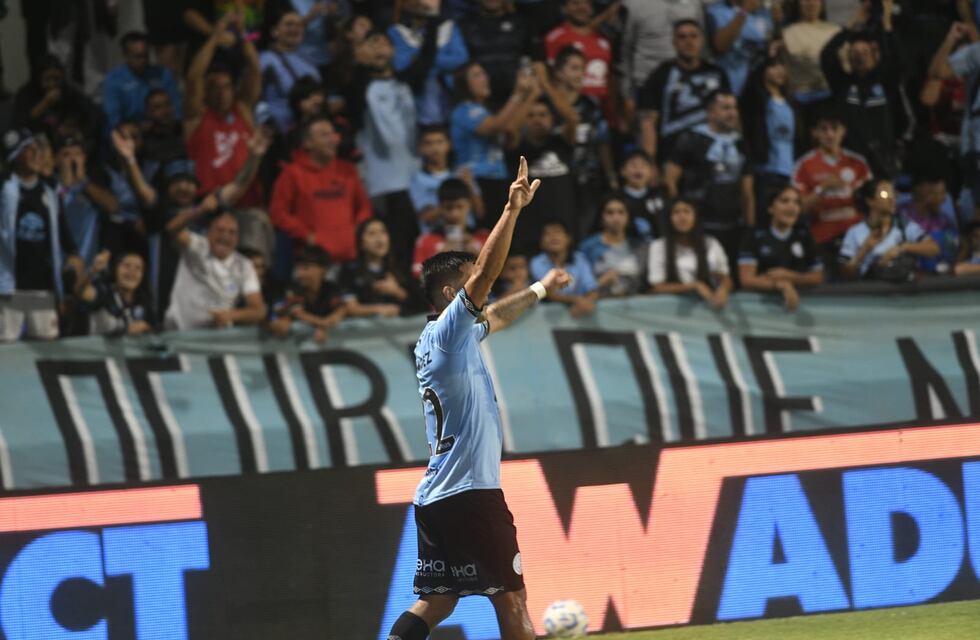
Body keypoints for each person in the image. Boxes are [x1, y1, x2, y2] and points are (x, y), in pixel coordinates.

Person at [385, 156, 569, 640]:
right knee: (512, 600)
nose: (479, 292)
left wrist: (540, 289)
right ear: (450, 292)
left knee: (437, 600)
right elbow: (486, 273)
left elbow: (498, 316)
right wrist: (511, 211)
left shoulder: (443, 338)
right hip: (471, 493)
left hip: (436, 496)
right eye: (468, 286)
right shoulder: (448, 331)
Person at [0, 128, 84, 342]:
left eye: (37, 149)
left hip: (43, 287)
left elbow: (63, 229)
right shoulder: (4, 188)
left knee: (47, 344)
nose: (36, 154)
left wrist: (73, 254)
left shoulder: (50, 191)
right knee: (5, 346)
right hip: (9, 287)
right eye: (28, 150)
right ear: (15, 156)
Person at [665, 91, 754, 275]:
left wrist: (749, 226)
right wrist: (680, 216)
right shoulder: (691, 138)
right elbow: (670, 178)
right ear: (711, 113)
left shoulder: (741, 143)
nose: (732, 113)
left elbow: (747, 190)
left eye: (734, 108)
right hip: (700, 223)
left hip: (733, 225)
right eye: (725, 108)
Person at [185, 11, 264, 208]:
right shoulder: (197, 116)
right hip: (210, 202)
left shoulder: (242, 109)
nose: (222, 93)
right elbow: (193, 78)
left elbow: (255, 69)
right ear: (206, 92)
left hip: (247, 199)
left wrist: (242, 32)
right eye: (214, 88)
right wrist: (215, 37)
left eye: (226, 86)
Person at [269, 116, 373, 265]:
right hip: (314, 262)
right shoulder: (292, 174)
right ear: (307, 143)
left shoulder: (348, 170)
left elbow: (364, 207)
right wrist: (307, 236)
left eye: (333, 134)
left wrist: (356, 231)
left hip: (350, 260)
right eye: (324, 135)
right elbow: (278, 214)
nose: (332, 139)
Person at [357, 29, 421, 268]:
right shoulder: (360, 88)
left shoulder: (405, 84)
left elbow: (423, 65)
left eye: (383, 43)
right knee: (392, 246)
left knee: (417, 244)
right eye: (372, 44)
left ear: (394, 50)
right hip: (381, 183)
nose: (379, 50)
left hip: (414, 177)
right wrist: (358, 65)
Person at [820, 3, 905, 177]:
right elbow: (827, 55)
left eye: (865, 52)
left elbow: (896, 59)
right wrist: (853, 23)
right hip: (849, 160)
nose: (860, 56)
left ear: (875, 55)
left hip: (882, 160)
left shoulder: (885, 82)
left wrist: (887, 23)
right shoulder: (842, 83)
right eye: (855, 52)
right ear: (849, 57)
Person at [451, 62, 539, 223]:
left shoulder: (486, 111)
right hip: (476, 181)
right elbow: (494, 126)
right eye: (476, 75)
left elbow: (510, 130)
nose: (485, 78)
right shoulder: (464, 111)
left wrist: (532, 95)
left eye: (484, 74)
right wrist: (518, 94)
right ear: (464, 84)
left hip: (497, 178)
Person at [638, 20, 731, 163]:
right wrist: (649, 163)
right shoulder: (660, 75)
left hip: (712, 156)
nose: (689, 42)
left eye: (694, 36)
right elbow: (648, 122)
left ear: (702, 40)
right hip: (671, 156)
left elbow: (731, 116)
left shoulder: (717, 73)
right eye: (682, 37)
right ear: (674, 42)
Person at [791, 109, 871, 274]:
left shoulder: (858, 163)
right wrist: (822, 188)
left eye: (835, 128)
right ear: (815, 133)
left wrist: (854, 192)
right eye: (824, 129)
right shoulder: (804, 165)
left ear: (843, 131)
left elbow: (873, 201)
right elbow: (798, 209)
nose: (830, 134)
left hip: (857, 238)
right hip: (821, 238)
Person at [163, 207, 267, 331]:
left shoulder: (244, 265)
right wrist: (199, 210)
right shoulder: (195, 245)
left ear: (238, 238)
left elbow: (259, 310)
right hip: (181, 336)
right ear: (209, 232)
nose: (225, 236)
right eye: (220, 230)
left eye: (232, 232)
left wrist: (229, 315)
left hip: (217, 339)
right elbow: (171, 229)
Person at [506, 97, 577, 255]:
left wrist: (544, 84)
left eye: (543, 114)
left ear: (552, 119)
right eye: (530, 115)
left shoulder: (562, 143)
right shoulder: (517, 147)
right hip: (530, 227)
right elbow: (510, 129)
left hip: (565, 222)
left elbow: (572, 118)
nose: (537, 119)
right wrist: (531, 94)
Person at [738, 186, 823, 311]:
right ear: (770, 208)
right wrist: (781, 285)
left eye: (796, 203)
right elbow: (747, 279)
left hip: (800, 308)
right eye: (785, 201)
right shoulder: (754, 237)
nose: (792, 207)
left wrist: (791, 277)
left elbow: (817, 277)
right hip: (759, 308)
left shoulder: (805, 237)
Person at [620, 0, 704, 123]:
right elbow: (624, 53)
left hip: (684, 88)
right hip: (644, 88)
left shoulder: (694, 4)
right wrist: (627, 96)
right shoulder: (632, 4)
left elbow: (702, 46)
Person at [839, 179, 940, 281]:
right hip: (869, 290)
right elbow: (846, 274)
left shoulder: (904, 226)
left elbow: (933, 249)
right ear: (870, 201)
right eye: (884, 194)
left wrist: (901, 248)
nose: (892, 198)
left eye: (893, 193)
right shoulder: (854, 232)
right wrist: (864, 250)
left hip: (902, 289)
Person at [389, 0, 470, 125]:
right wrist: (442, 59)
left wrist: (423, 60)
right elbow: (402, 65)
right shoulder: (396, 32)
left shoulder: (449, 27)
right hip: (415, 101)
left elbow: (461, 58)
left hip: (450, 97)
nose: (423, 2)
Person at [740, 56, 799, 215]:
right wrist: (765, 53)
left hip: (788, 169)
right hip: (765, 168)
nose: (779, 70)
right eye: (773, 66)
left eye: (782, 66)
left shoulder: (791, 102)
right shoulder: (756, 99)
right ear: (763, 71)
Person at [648, 198, 732, 309]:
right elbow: (657, 287)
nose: (682, 217)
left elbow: (725, 277)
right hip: (671, 308)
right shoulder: (658, 246)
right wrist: (694, 286)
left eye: (687, 211)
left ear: (695, 216)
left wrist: (724, 289)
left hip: (709, 306)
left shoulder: (711, 243)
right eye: (676, 212)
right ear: (669, 218)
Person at [458, 0, 539, 109]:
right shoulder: (464, 25)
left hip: (516, 97)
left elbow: (532, 59)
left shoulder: (521, 22)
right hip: (479, 101)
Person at [340, 217, 427, 317]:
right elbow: (351, 308)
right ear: (361, 243)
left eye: (383, 232)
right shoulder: (350, 271)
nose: (379, 238)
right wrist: (379, 309)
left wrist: (397, 291)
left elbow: (422, 306)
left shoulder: (400, 269)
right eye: (371, 233)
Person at [53, 134, 119, 265]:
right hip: (56, 262)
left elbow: (113, 206)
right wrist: (66, 187)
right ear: (56, 159)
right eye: (66, 154)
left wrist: (83, 181)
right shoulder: (50, 184)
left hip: (86, 264)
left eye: (77, 154)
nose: (72, 159)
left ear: (84, 158)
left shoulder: (92, 186)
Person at [11, 55, 103, 142]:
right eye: (47, 79)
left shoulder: (68, 92)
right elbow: (21, 123)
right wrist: (44, 103)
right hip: (37, 143)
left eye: (56, 79)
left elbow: (93, 113)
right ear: (38, 79)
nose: (52, 84)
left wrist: (78, 131)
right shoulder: (26, 94)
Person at [103, 32, 183, 130]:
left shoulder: (163, 74)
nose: (143, 60)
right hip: (131, 131)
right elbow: (113, 116)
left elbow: (176, 107)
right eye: (138, 56)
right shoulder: (114, 80)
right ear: (125, 55)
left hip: (164, 128)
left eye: (146, 55)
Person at [545, 0, 613, 115]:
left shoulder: (604, 39)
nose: (582, 7)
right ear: (564, 8)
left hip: (602, 112)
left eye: (587, 3)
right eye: (575, 3)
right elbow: (549, 78)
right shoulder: (555, 38)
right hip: (570, 109)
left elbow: (611, 80)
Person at [260, 8, 322, 133]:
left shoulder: (309, 62)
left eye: (299, 25)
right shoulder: (264, 60)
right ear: (274, 31)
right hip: (278, 135)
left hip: (306, 134)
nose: (295, 29)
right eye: (289, 24)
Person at [413, 179, 490, 278]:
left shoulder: (484, 236)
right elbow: (417, 277)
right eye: (449, 208)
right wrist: (439, 259)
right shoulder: (425, 241)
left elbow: (500, 272)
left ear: (469, 205)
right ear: (440, 207)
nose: (455, 214)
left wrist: (479, 256)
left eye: (460, 206)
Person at [269, 246, 347, 343]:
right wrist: (322, 323)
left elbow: (341, 309)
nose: (300, 274)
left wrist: (328, 323)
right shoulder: (292, 289)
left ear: (323, 269)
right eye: (298, 268)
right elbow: (298, 313)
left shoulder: (331, 289)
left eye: (306, 268)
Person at [706, 0, 779, 96]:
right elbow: (721, 45)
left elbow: (769, 39)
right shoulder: (716, 10)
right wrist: (744, 11)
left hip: (759, 84)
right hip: (729, 81)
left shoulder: (763, 11)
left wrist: (778, 22)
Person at [74, 250, 154, 336]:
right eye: (126, 265)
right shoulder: (103, 291)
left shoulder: (144, 300)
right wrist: (93, 270)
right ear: (115, 268)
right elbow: (80, 291)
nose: (132, 271)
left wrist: (147, 328)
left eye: (138, 268)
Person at [579, 196, 648, 297]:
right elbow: (580, 284)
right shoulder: (588, 247)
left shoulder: (639, 247)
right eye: (610, 213)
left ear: (628, 217)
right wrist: (601, 282)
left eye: (621, 212)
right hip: (599, 306)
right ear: (601, 217)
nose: (616, 218)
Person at [530, 219, 599, 317]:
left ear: (568, 238)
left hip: (579, 317)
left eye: (557, 232)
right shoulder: (536, 262)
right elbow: (547, 292)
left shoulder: (579, 258)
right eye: (547, 234)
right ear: (541, 242)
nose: (553, 237)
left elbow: (592, 287)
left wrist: (587, 302)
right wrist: (576, 300)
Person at [897, 173, 960, 274]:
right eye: (941, 193)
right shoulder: (901, 216)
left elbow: (955, 248)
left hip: (942, 275)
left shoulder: (943, 220)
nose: (944, 199)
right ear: (928, 196)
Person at [780, 0, 840, 104]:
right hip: (802, 98)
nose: (811, 3)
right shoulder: (787, 33)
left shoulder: (835, 30)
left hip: (836, 95)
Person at [617, 150, 667, 240]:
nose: (638, 170)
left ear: (651, 172)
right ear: (622, 171)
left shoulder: (659, 196)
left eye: (643, 166)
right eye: (633, 165)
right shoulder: (615, 198)